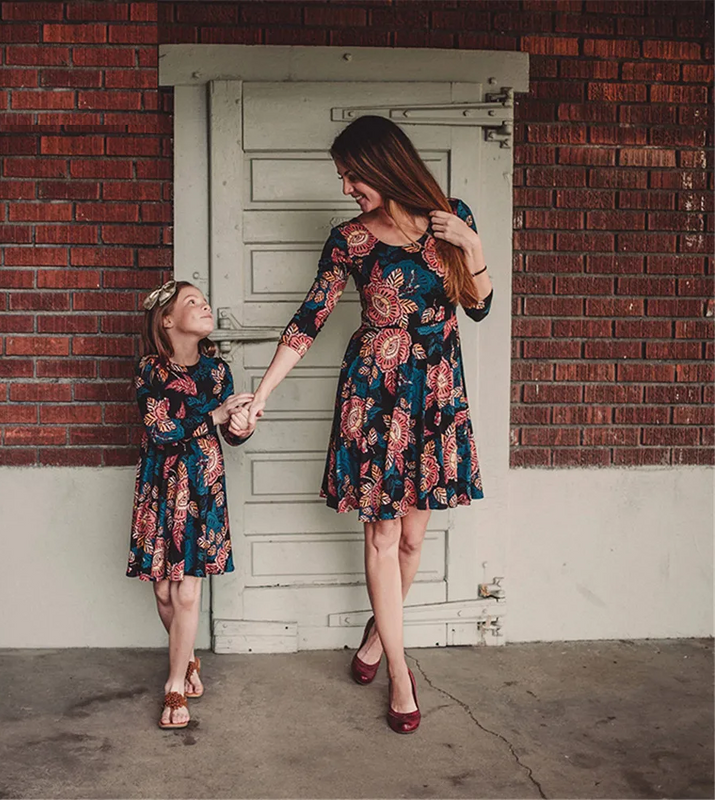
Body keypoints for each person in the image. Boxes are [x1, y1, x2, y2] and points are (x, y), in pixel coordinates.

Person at [245, 116, 494, 734]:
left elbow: (479, 306)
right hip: (374, 398)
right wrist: (263, 394)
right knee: (382, 539)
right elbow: (309, 319)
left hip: (435, 396)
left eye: (353, 174)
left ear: (384, 165)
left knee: (412, 541)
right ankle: (401, 675)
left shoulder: (450, 216)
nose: (348, 186)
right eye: (343, 178)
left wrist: (473, 245)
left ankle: (376, 640)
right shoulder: (350, 240)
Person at [127, 280, 256, 730]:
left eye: (204, 300)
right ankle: (190, 659)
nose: (204, 305)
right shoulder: (149, 370)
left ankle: (174, 686)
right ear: (167, 320)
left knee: (186, 591)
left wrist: (240, 422)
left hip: (201, 489)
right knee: (163, 592)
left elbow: (231, 436)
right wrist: (214, 417)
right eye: (191, 301)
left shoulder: (218, 372)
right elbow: (161, 430)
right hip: (159, 488)